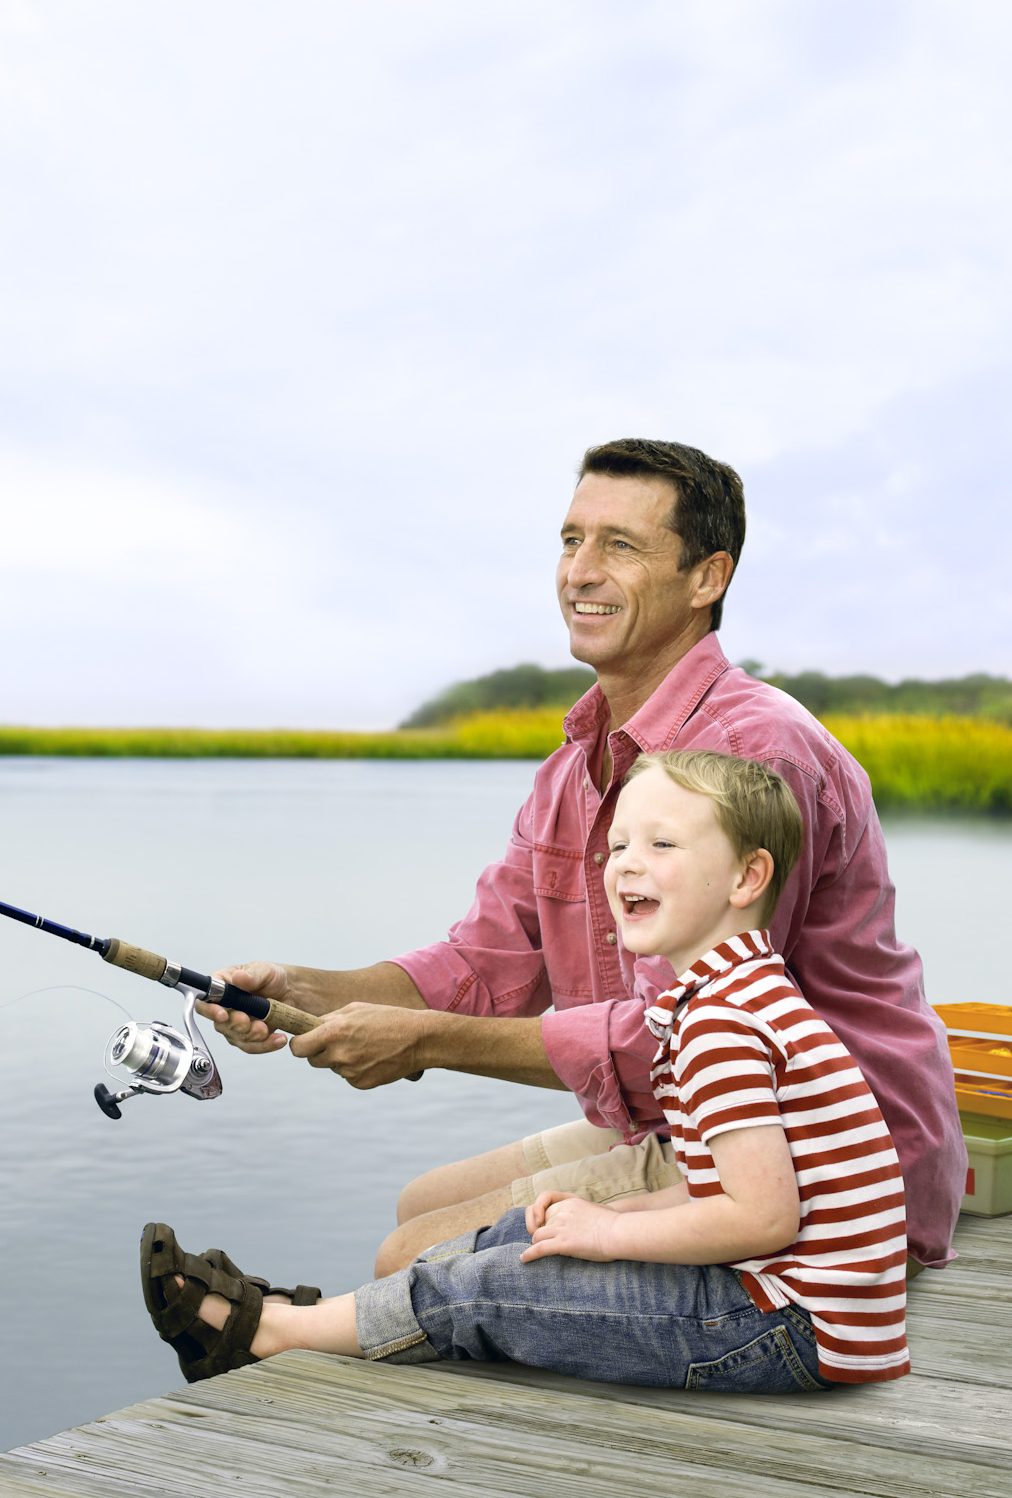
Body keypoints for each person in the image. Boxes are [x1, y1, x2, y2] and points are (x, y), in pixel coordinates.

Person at [198, 438, 963, 1277]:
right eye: (571, 541)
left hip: (820, 1161)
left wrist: (421, 1043)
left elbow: (686, 1035)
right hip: (696, 1123)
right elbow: (484, 961)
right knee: (419, 1205)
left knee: (409, 1258)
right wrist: (305, 992)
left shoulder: (752, 755)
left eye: (620, 546)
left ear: (708, 578)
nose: (580, 573)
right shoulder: (575, 766)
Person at [141, 750, 909, 1392]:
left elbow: (762, 1219)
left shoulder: (720, 1023)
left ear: (747, 879)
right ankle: (331, 1318)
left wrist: (611, 1230)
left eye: (663, 847)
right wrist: (611, 1223)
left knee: (500, 1286)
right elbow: (728, 1193)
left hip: (783, 1328)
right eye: (618, 848)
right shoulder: (738, 991)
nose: (627, 867)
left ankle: (275, 1332)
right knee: (524, 1235)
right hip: (799, 1307)